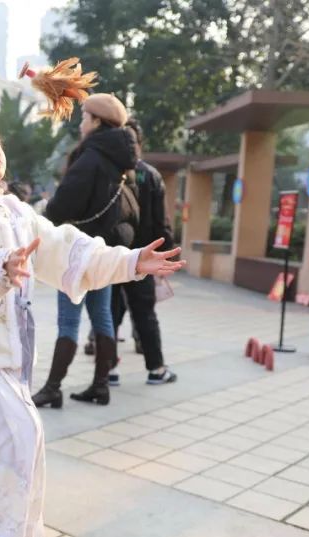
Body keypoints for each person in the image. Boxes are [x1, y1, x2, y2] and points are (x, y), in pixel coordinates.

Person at [0, 115, 184, 537]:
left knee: (17, 444)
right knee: (5, 444)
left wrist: (132, 261)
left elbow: (69, 249)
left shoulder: (17, 212)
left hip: (4, 359)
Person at [32, 93, 139, 408]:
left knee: (69, 321)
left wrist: (44, 224)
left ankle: (52, 388)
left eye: (84, 118)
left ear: (96, 121)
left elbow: (63, 203)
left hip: (77, 250)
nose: (81, 124)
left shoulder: (90, 157)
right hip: (103, 252)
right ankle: (101, 385)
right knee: (103, 318)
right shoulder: (123, 161)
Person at [112, 119, 177, 385]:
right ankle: (156, 369)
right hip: (144, 258)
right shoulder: (151, 175)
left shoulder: (109, 172)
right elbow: (161, 223)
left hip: (112, 257)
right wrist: (166, 253)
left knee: (110, 314)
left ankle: (107, 372)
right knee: (145, 314)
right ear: (140, 143)